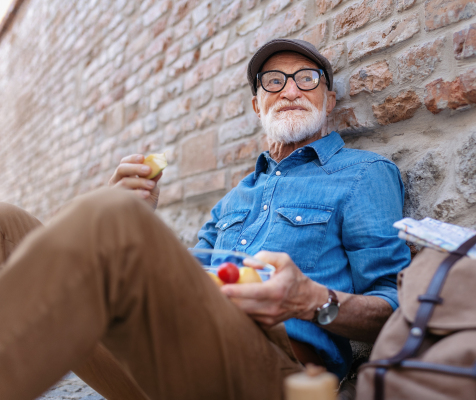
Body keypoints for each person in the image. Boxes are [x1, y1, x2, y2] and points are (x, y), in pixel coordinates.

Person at [0, 39, 410, 400]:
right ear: (257, 104)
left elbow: (396, 311)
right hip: (168, 360)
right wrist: (138, 222)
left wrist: (310, 299)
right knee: (7, 221)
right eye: (273, 82)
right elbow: (189, 281)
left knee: (111, 215)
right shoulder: (234, 198)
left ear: (329, 99)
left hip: (275, 373)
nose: (290, 90)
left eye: (306, 79)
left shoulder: (362, 174)